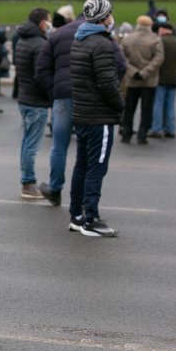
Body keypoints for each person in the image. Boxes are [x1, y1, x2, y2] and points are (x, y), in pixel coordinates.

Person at [36, 11, 127, 206]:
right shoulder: (101, 37)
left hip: (62, 96)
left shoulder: (58, 34)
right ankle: (85, 198)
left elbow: (41, 67)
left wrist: (54, 92)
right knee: (85, 150)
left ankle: (55, 188)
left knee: (59, 145)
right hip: (89, 97)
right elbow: (120, 64)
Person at [68, 0, 124, 237]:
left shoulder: (79, 39)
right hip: (99, 115)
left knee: (82, 165)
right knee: (96, 168)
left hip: (83, 113)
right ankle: (91, 218)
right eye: (110, 14)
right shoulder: (102, 43)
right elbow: (107, 83)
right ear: (104, 17)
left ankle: (77, 215)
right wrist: (120, 105)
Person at [14, 8, 53, 199]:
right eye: (49, 20)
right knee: (31, 145)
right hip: (36, 101)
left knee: (27, 143)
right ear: (42, 24)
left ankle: (27, 181)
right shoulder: (39, 43)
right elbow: (42, 75)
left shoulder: (23, 39)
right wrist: (53, 94)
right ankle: (28, 184)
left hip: (25, 98)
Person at [120, 15, 165, 144]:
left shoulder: (128, 39)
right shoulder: (156, 40)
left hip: (132, 79)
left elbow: (121, 58)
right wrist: (145, 72)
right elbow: (158, 59)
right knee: (146, 109)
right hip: (149, 81)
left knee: (129, 108)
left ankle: (126, 133)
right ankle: (142, 134)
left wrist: (133, 71)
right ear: (150, 25)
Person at [148, 23, 176, 139]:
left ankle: (157, 128)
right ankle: (170, 129)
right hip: (173, 78)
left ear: (162, 30)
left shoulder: (159, 41)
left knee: (158, 104)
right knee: (170, 105)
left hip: (160, 78)